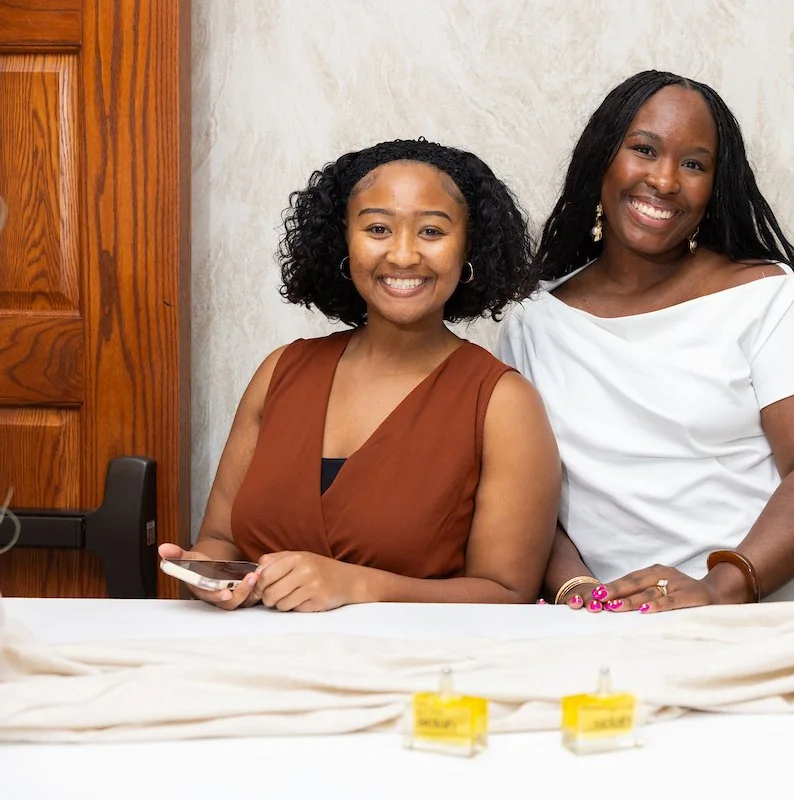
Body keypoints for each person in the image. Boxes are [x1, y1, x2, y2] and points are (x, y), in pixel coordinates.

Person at [499, 71, 794, 613]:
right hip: (634, 626)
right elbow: (524, 497)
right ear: (600, 162)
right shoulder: (532, 324)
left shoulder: (767, 299)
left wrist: (718, 589)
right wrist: (578, 594)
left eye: (693, 164)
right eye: (643, 150)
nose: (664, 181)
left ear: (714, 187)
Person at [161, 138, 560, 611]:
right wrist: (209, 574)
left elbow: (508, 593)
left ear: (468, 248)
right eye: (377, 229)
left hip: (413, 676)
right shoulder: (280, 371)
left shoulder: (501, 402)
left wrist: (360, 586)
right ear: (343, 242)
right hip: (258, 667)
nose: (404, 255)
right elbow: (221, 540)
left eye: (432, 231)